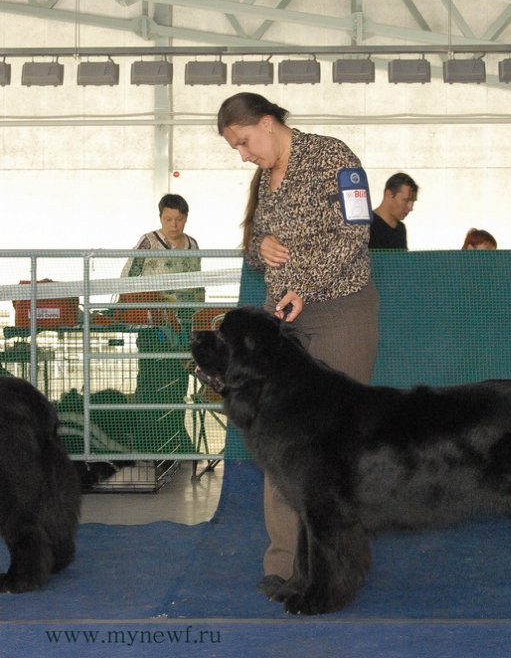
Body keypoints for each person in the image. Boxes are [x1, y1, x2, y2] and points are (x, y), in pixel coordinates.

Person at [217, 92, 379, 596]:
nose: (243, 154)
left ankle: (337, 560)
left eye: (244, 142)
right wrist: (259, 249)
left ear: (267, 123)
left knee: (333, 444)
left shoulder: (335, 158)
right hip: (284, 322)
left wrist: (303, 286)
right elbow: (256, 249)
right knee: (280, 438)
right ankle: (285, 560)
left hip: (341, 313)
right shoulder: (266, 178)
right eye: (236, 149)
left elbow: (355, 233)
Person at [121, 193, 204, 454]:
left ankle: (175, 442)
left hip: (183, 328)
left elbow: (198, 283)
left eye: (179, 219)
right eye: (168, 219)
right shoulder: (148, 242)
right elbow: (128, 278)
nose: (174, 224)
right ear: (160, 217)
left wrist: (196, 316)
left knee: (178, 384)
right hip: (154, 329)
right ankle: (149, 445)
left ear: (186, 219)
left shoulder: (193, 245)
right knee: (151, 384)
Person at [368, 172, 418, 249]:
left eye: (412, 202)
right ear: (388, 194)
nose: (410, 208)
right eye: (406, 200)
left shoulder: (400, 229)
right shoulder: (366, 226)